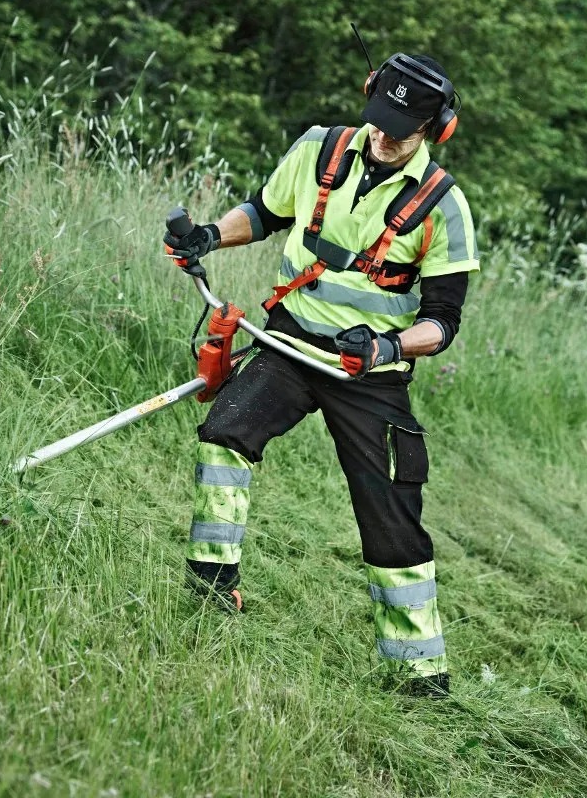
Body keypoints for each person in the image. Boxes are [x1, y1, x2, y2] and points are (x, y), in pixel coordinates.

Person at [163, 53, 477, 698]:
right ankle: (212, 585)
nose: (386, 136)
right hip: (290, 340)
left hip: (370, 369)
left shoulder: (446, 206)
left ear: (438, 129)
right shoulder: (318, 147)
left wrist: (389, 347)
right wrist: (208, 237)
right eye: (381, 118)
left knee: (390, 510)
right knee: (227, 432)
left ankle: (420, 671)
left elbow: (443, 323)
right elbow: (264, 212)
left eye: (405, 128)